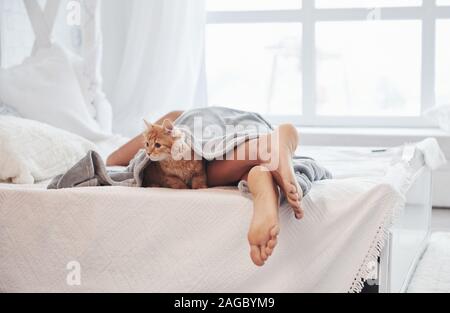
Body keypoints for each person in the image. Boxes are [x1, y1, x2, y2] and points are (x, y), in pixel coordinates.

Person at [107, 109, 307, 267]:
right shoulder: (219, 118)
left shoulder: (175, 119)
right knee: (234, 155)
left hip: (204, 131)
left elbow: (114, 160)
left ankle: (265, 151)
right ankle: (261, 173)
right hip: (254, 127)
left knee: (204, 160)